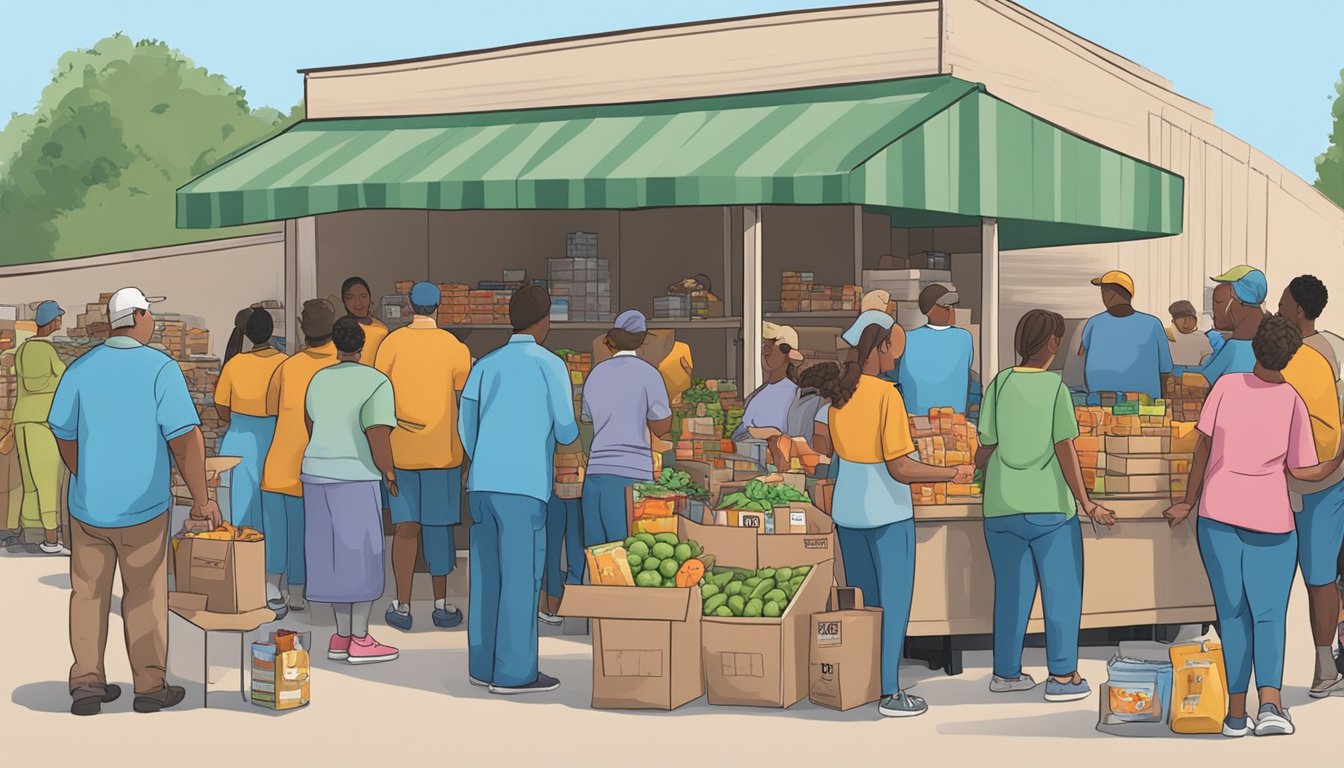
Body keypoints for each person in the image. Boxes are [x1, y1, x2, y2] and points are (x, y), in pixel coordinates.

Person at [1163, 315, 1344, 737]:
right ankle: (1272, 706)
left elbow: (1203, 449)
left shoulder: (1224, 388)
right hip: (1271, 521)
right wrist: (1337, 461)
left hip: (1218, 516)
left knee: (1232, 615)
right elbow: (1303, 471)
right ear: (1292, 356)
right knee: (1268, 616)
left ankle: (1235, 714)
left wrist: (1187, 502)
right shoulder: (1293, 402)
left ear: (1255, 347)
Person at [49, 287, 221, 716]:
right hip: (144, 506)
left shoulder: (81, 369)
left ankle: (87, 685)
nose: (153, 323)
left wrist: (85, 473)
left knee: (87, 594)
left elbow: (63, 433)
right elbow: (185, 439)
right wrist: (202, 500)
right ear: (140, 317)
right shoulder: (160, 368)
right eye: (150, 315)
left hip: (89, 506)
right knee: (144, 594)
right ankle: (149, 686)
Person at [824, 309, 974, 718]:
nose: (896, 354)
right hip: (887, 511)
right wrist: (951, 472)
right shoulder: (886, 395)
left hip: (848, 510)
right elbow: (900, 467)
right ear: (880, 346)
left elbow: (831, 451)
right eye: (893, 345)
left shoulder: (839, 395)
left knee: (864, 605)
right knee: (892, 603)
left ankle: (866, 684)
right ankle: (890, 691)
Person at [976, 309, 1117, 703]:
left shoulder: (999, 384)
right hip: (1050, 510)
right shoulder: (1055, 389)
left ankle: (1005, 673)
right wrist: (1086, 502)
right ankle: (1062, 677)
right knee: (1061, 592)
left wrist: (969, 470)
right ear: (1053, 343)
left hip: (1001, 506)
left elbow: (986, 443)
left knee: (1011, 593)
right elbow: (1064, 448)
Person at [459, 285, 579, 695]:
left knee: (486, 576)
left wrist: (483, 457)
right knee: (520, 577)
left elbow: (466, 424)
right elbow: (566, 429)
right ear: (544, 321)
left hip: (482, 484)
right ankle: (513, 673)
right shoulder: (550, 365)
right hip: (523, 485)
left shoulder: (486, 365)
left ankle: (481, 665)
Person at [375, 282, 472, 632]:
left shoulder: (391, 344)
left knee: (404, 530)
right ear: (439, 307)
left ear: (409, 306)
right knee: (438, 529)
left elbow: (379, 391)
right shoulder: (454, 347)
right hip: (442, 455)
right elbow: (464, 398)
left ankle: (401, 605)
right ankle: (441, 605)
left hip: (400, 454)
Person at [302, 317, 400, 665]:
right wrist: (388, 472)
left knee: (331, 558)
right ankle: (360, 638)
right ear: (362, 347)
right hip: (355, 476)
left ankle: (340, 635)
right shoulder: (376, 382)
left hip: (315, 474)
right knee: (362, 556)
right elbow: (377, 434)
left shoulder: (317, 380)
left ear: (335, 346)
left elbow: (310, 424)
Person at [1277, 274, 1344, 696]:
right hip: (1293, 481)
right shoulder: (1283, 349)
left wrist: (1329, 466)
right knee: (1307, 577)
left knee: (1319, 577)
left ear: (1299, 309)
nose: (1279, 309)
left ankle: (1324, 667)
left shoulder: (1326, 353)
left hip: (1323, 484)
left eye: (1283, 303)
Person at [262, 299, 340, 615]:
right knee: (302, 532)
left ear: (301, 326)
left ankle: (271, 588)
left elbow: (270, 408)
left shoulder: (287, 367)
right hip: (316, 466)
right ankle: (297, 592)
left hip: (278, 463)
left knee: (276, 529)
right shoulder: (341, 367)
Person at [581, 310, 673, 551]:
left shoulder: (595, 374)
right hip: (631, 476)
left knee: (596, 557)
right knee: (626, 556)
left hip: (595, 476)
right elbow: (662, 425)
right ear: (642, 339)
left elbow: (586, 418)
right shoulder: (649, 375)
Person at [215, 307, 287, 581]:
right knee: (274, 512)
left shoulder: (234, 364)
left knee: (241, 511)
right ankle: (273, 580)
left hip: (238, 443)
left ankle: (243, 578)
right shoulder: (285, 363)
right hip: (275, 440)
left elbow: (222, 409)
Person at [14, 300, 68, 554]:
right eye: (58, 318)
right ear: (53, 321)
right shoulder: (47, 351)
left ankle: (30, 535)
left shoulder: (22, 350)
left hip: (22, 421)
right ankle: (50, 539)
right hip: (43, 423)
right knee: (47, 481)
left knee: (30, 483)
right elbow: (63, 378)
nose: (60, 321)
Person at [1077, 271, 1172, 398]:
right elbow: (1166, 367)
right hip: (1145, 401)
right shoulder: (1153, 323)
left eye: (1104, 292)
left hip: (1100, 398)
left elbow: (1079, 355)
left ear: (1111, 294)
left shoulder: (1094, 322)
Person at [1173, 266, 1266, 385]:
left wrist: (1172, 371)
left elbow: (1203, 379)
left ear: (1237, 300)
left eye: (1218, 302)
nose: (1213, 309)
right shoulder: (1269, 343)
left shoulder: (1235, 347)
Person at [894, 284, 974, 414]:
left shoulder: (907, 338)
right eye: (945, 306)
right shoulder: (964, 338)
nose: (951, 310)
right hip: (950, 416)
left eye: (952, 306)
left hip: (916, 417)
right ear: (929, 310)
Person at [731, 322, 804, 441]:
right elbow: (739, 433)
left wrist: (754, 432)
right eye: (764, 344)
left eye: (772, 345)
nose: (765, 351)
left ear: (787, 353)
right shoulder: (760, 392)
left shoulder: (793, 394)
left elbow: (784, 435)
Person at [341, 276, 389, 366]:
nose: (358, 303)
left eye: (363, 296)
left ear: (370, 299)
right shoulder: (340, 330)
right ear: (344, 302)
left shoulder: (382, 330)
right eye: (351, 298)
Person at [1166, 300, 1213, 367]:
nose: (1186, 325)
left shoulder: (1201, 338)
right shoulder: (1201, 338)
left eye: (1190, 319)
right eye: (1184, 319)